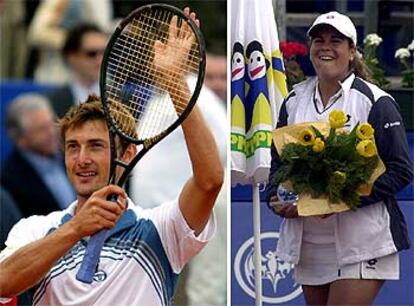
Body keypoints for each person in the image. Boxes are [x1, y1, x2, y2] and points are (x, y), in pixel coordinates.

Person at [0, 8, 224, 306]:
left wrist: (174, 83)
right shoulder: (36, 229)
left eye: (95, 146)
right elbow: (3, 283)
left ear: (128, 152)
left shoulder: (160, 228)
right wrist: (75, 229)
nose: (81, 159)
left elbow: (209, 181)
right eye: (72, 147)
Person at [266, 11, 413, 306]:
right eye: (319, 40)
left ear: (352, 51)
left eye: (336, 40)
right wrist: (275, 197)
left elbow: (400, 170)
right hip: (310, 244)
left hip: (364, 241)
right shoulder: (294, 100)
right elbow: (279, 164)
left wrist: (341, 199)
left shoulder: (376, 101)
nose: (326, 46)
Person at [1, 93, 75, 218]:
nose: (52, 132)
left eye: (52, 123)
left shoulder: (71, 155)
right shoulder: (10, 179)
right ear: (20, 139)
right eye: (42, 129)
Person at [28, 0, 113, 84]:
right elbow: (38, 33)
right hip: (58, 78)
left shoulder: (104, 3)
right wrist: (76, 42)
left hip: (94, 79)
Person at [45, 23, 108, 118]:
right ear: (72, 57)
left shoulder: (125, 100)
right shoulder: (51, 103)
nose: (100, 60)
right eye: (92, 54)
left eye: (104, 52)